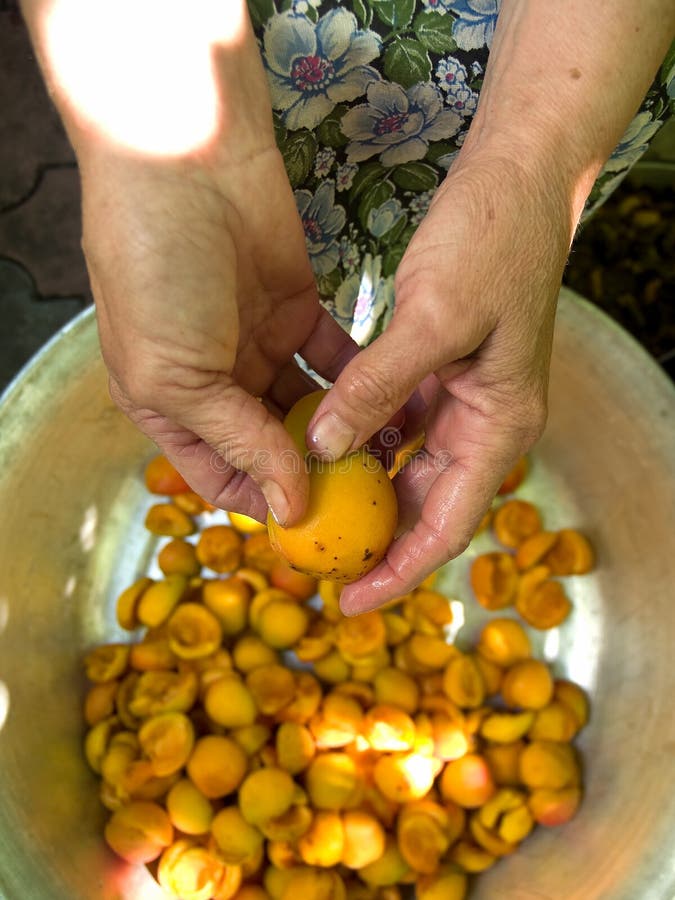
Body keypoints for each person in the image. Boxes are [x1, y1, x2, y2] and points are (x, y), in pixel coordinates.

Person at [20, 0, 675, 614]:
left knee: (448, 304)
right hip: (256, 97)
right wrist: (166, 155)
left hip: (568, 58)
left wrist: (530, 171)